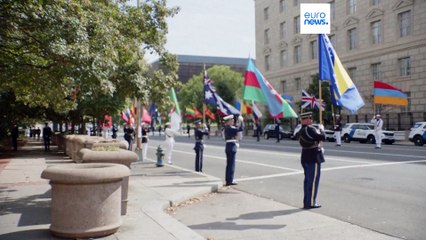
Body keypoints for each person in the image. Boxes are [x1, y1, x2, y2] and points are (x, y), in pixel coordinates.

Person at [298, 112, 326, 209]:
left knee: (308, 180)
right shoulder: (310, 129)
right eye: (310, 118)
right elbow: (323, 137)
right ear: (306, 120)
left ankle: (307, 201)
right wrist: (322, 130)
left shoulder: (301, 129)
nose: (311, 120)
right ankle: (311, 203)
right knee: (313, 181)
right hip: (313, 157)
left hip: (305, 156)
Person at [223, 114, 244, 186]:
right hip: (231, 146)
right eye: (231, 120)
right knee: (231, 164)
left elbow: (237, 128)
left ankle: (228, 179)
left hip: (229, 146)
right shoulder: (229, 128)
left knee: (229, 164)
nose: (232, 121)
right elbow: (240, 129)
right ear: (228, 121)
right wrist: (241, 121)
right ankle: (230, 180)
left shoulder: (227, 127)